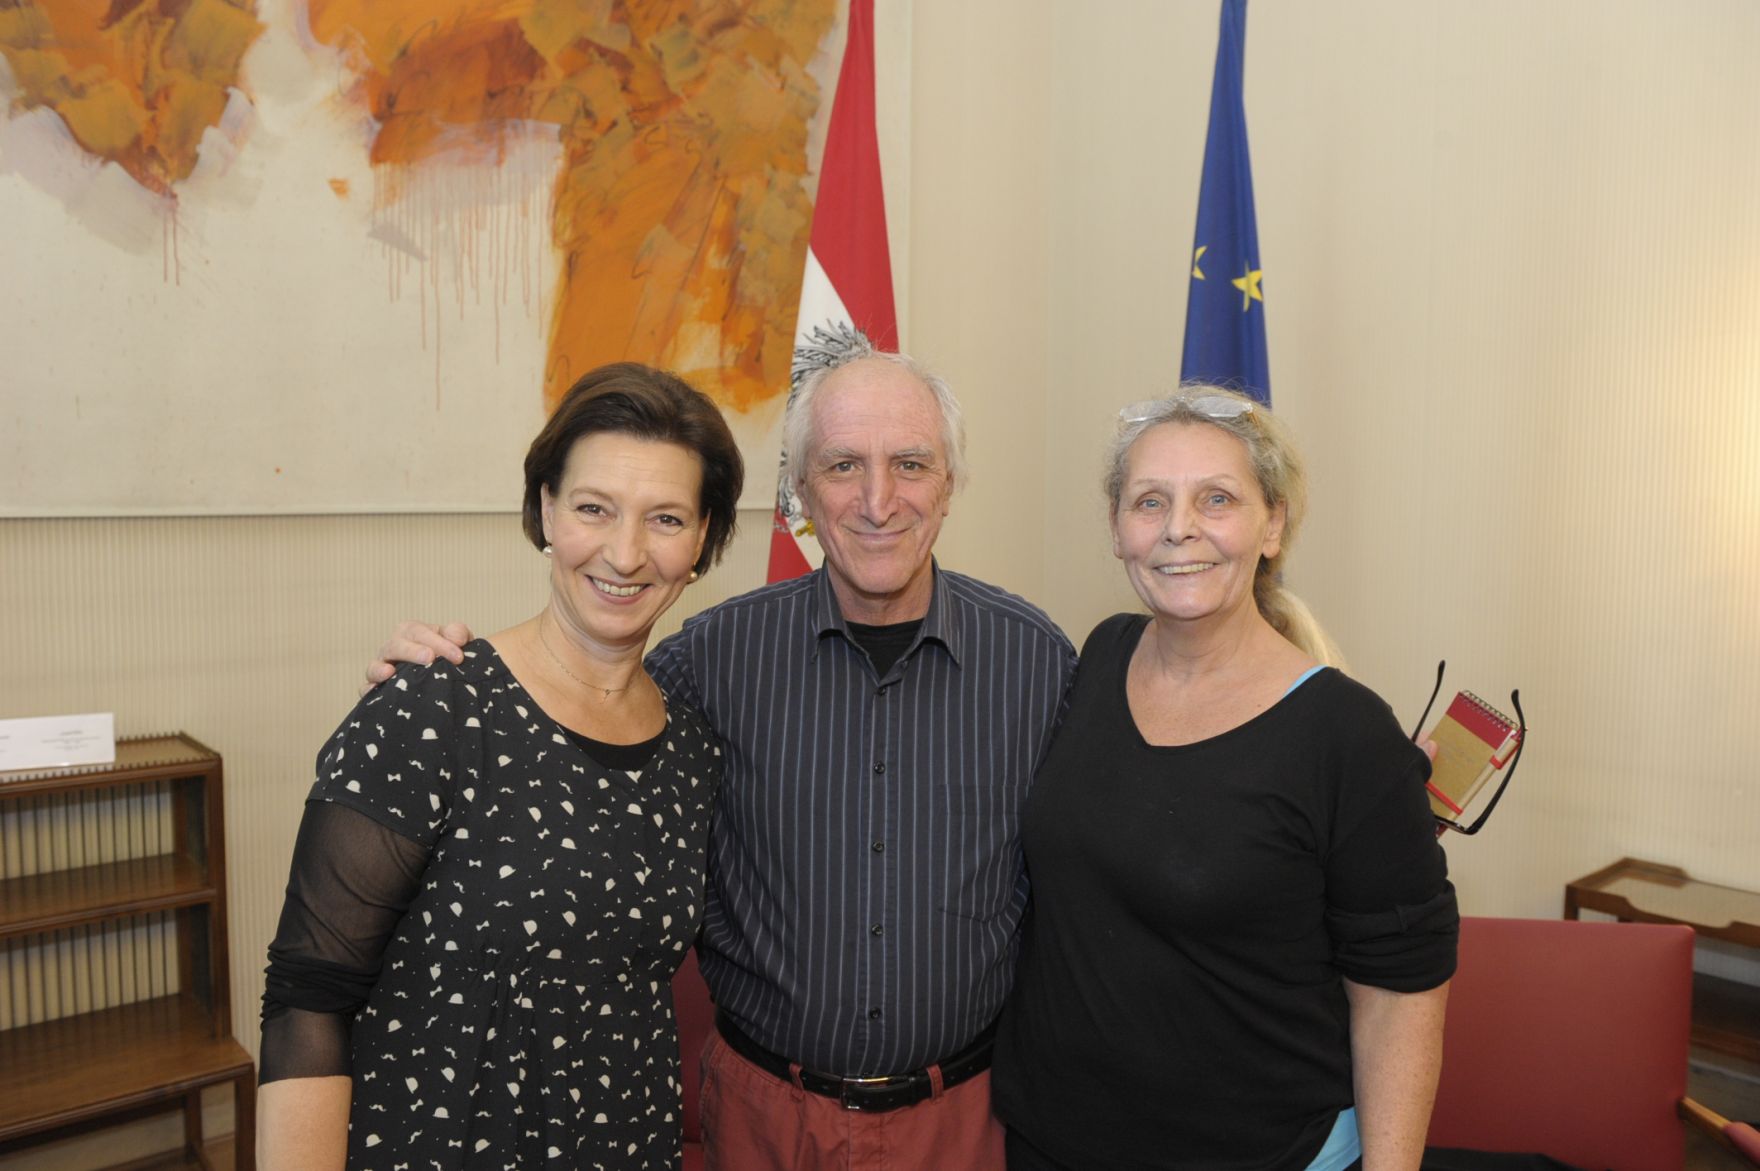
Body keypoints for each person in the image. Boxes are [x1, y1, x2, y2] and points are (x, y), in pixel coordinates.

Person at [366, 338, 1077, 1170]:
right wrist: (448, 674)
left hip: (961, 1118)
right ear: (801, 490)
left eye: (911, 463)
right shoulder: (708, 659)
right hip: (762, 1118)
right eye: (843, 465)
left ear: (949, 483)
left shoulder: (1038, 662)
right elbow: (573, 722)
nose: (878, 499)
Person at [258, 363, 744, 1170]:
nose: (625, 553)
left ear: (700, 542)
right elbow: (307, 999)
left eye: (665, 518)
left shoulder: (693, 747)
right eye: (594, 508)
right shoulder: (434, 709)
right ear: (546, 509)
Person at [990, 387, 1458, 1171]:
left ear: (1273, 524)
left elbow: (1401, 999)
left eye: (1217, 498)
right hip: (1053, 1141)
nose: (1179, 528)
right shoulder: (1101, 655)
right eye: (1149, 501)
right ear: (1116, 528)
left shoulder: (1348, 736)